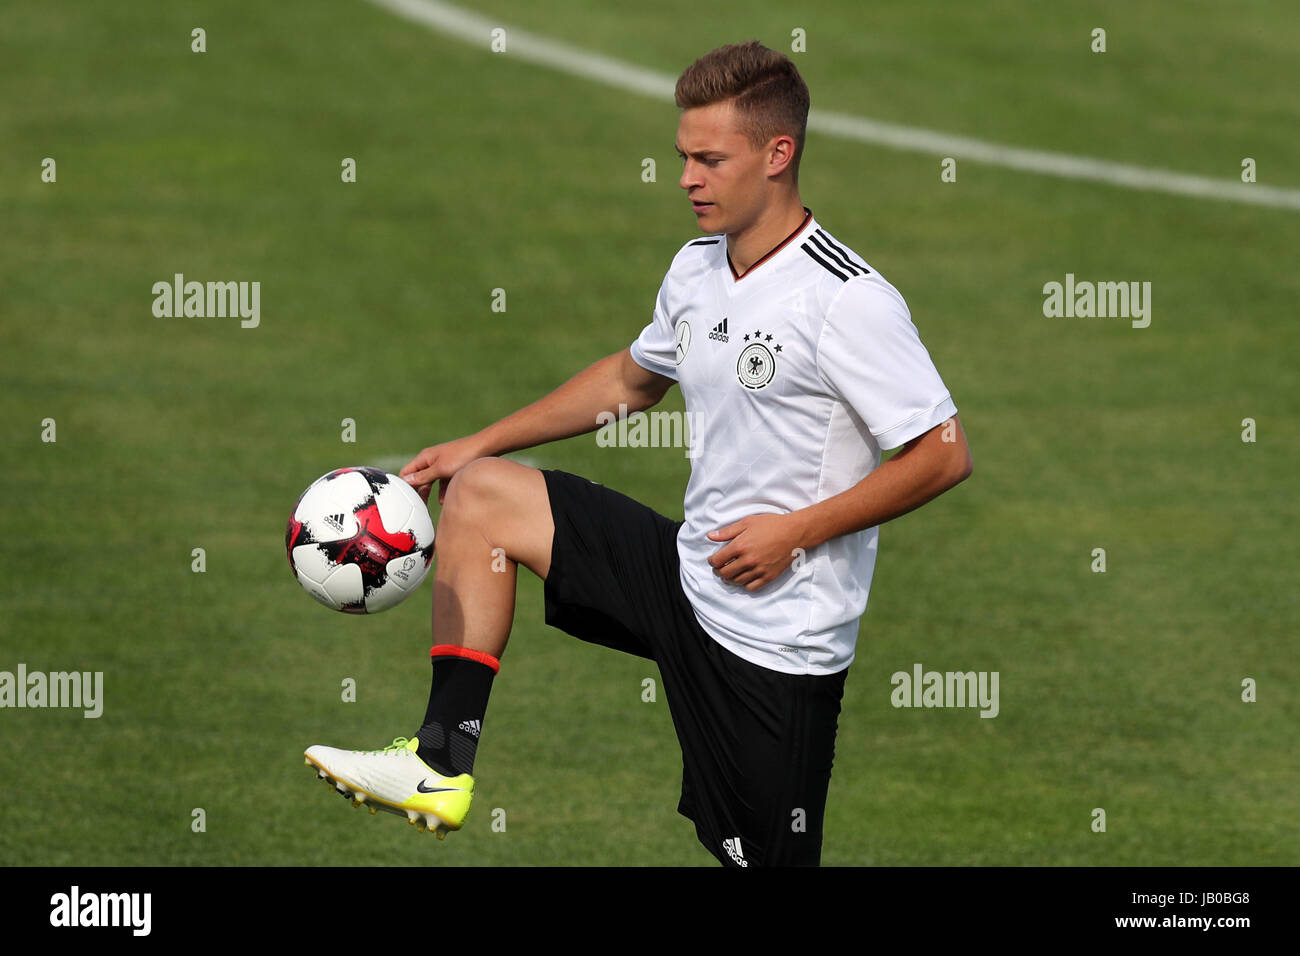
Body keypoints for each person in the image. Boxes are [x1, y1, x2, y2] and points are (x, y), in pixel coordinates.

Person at [304, 39, 972, 866]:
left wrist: (795, 530)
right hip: (687, 576)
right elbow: (631, 379)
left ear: (777, 154)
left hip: (776, 646)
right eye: (682, 156)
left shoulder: (844, 300)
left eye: (708, 159)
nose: (686, 177)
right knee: (482, 494)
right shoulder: (697, 269)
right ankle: (439, 763)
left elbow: (942, 454)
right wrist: (479, 441)